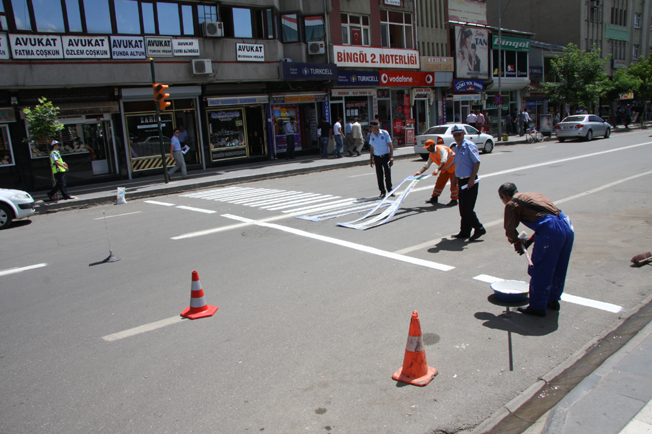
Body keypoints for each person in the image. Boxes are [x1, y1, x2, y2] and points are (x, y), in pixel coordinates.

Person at [498, 182, 574, 317]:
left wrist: (516, 242)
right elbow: (548, 221)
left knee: (541, 269)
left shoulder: (512, 204)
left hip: (550, 230)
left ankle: (538, 306)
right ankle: (553, 300)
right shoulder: (533, 195)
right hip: (566, 226)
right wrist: (530, 241)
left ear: (504, 196)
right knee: (558, 266)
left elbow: (510, 229)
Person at [451, 125, 485, 240]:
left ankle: (479, 228)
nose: (457, 137)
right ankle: (465, 231)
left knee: (467, 209)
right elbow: (459, 164)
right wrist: (455, 178)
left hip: (470, 181)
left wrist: (472, 179)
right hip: (461, 180)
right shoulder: (458, 147)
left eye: (459, 135)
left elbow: (477, 162)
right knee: (462, 208)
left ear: (463, 134)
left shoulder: (469, 145)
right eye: (455, 135)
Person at [415, 139, 458, 206]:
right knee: (439, 182)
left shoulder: (441, 149)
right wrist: (419, 172)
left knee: (454, 184)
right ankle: (434, 197)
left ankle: (454, 200)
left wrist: (437, 170)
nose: (427, 149)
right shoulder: (432, 154)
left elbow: (444, 160)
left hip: (453, 167)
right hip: (444, 169)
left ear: (433, 146)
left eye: (428, 147)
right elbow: (427, 165)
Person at [369, 120, 394, 198]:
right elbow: (372, 148)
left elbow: (390, 145)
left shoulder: (384, 133)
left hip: (385, 156)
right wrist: (371, 159)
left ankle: (390, 190)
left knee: (387, 174)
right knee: (379, 175)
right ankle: (382, 191)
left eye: (371, 127)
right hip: (377, 157)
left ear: (375, 127)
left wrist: (391, 156)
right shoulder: (372, 135)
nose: (370, 129)